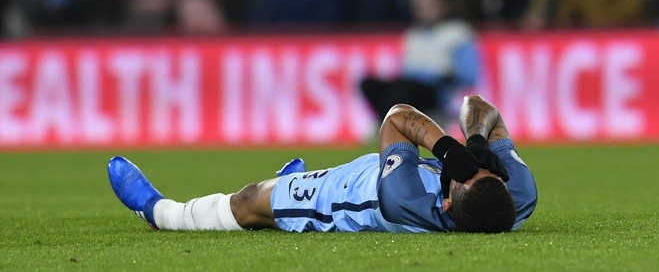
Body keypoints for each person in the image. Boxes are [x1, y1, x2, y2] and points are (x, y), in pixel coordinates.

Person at [108, 95, 537, 234]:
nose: (470, 168)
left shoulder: (402, 201)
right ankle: (290, 178)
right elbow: (478, 106)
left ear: (445, 204)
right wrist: (478, 142)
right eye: (483, 170)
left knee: (247, 202)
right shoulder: (515, 197)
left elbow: (395, 119)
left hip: (349, 197)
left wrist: (447, 149)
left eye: (464, 175)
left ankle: (162, 212)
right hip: (396, 167)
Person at [360, 0, 477, 121]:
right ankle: (387, 123)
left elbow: (469, 75)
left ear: (443, 5)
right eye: (421, 6)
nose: (425, 10)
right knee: (369, 84)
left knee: (404, 91)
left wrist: (446, 78)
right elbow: (405, 70)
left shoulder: (457, 32)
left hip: (435, 89)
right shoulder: (413, 35)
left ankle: (386, 125)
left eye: (430, 5)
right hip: (409, 85)